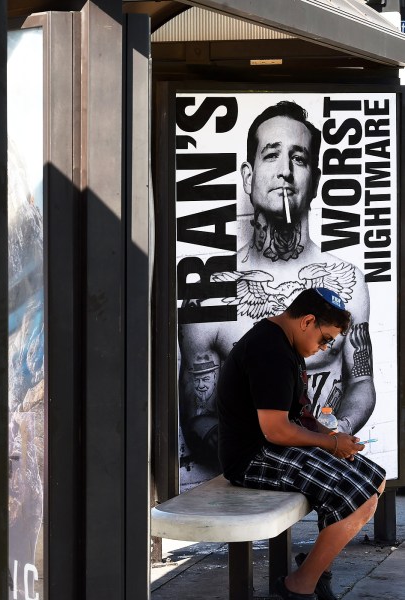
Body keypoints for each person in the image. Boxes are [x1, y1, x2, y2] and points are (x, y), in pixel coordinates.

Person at [179, 100, 376, 479]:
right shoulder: (211, 294)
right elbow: (197, 413)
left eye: (298, 159)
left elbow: (362, 380)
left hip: (322, 455)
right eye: (272, 155)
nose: (285, 171)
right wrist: (259, 452)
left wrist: (336, 434)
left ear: (314, 180)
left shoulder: (346, 281)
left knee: (367, 488)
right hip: (253, 467)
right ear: (248, 177)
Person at [217, 287, 385, 600]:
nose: (323, 348)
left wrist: (334, 439)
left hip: (275, 447)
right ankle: (298, 587)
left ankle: (315, 570)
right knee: (357, 496)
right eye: (324, 339)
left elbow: (299, 417)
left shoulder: (284, 343)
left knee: (374, 482)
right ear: (307, 321)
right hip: (253, 456)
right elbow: (276, 430)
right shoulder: (270, 351)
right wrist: (330, 445)